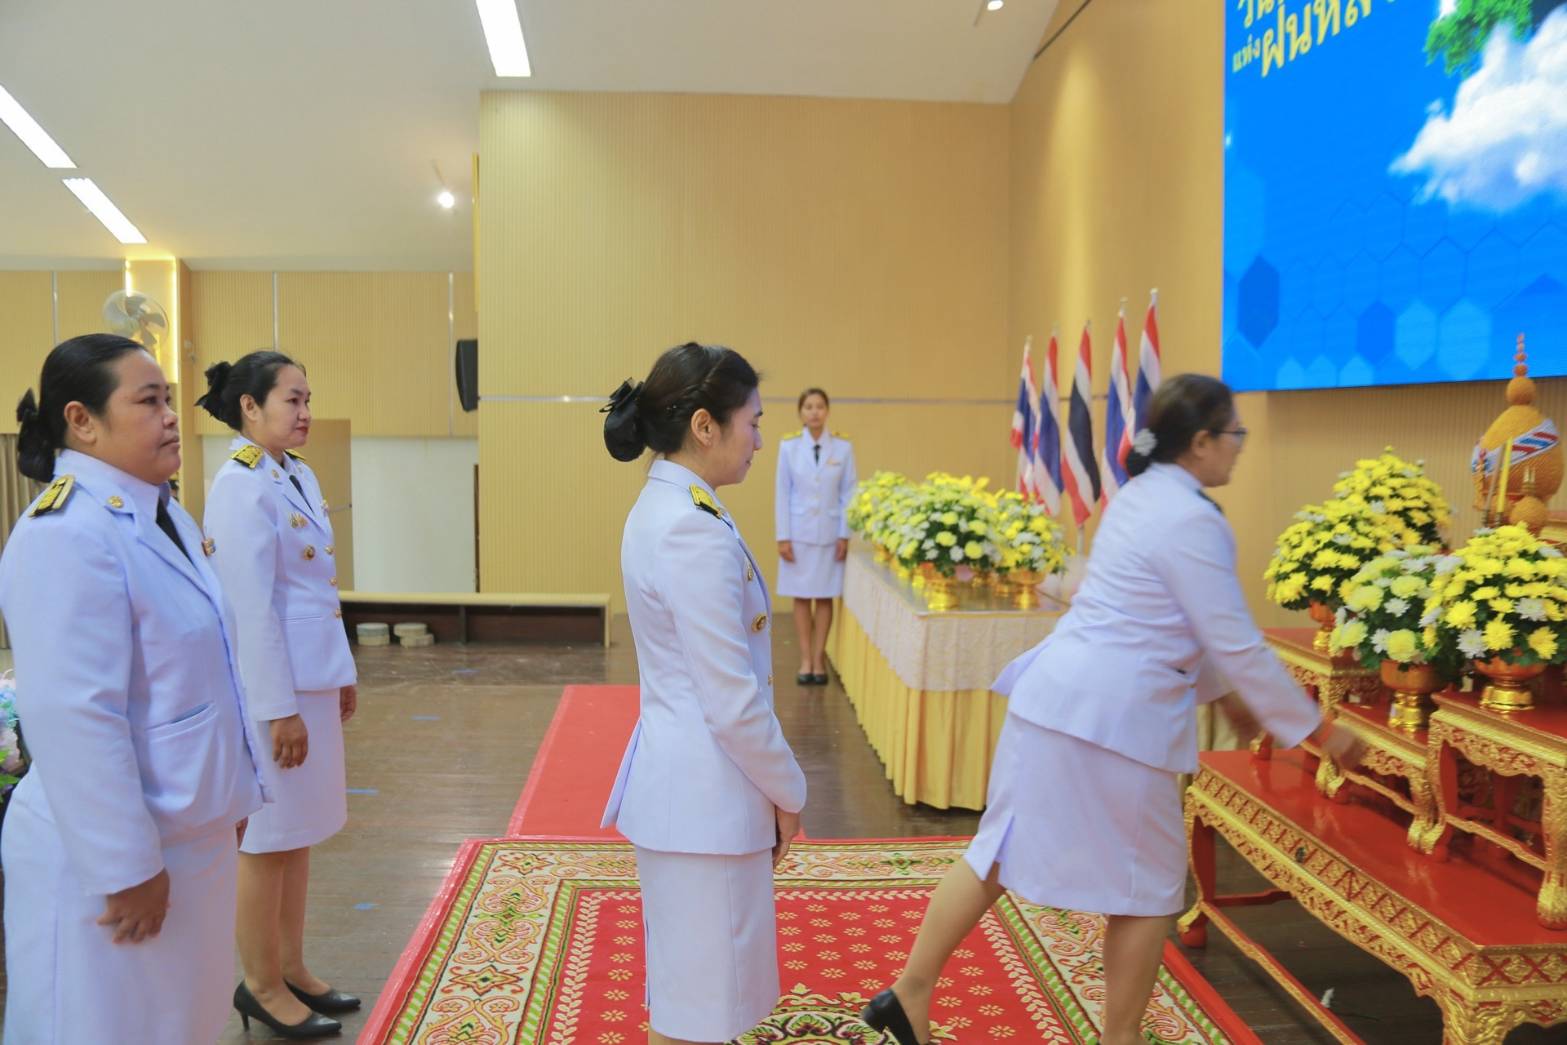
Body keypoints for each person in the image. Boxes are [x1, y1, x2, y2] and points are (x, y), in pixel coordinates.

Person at [862, 374, 1368, 1045]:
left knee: (996, 848)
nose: (1240, 448)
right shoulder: (1190, 516)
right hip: (1114, 723)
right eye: (1234, 434)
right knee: (1151, 889)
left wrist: (1232, 704)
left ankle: (909, 990)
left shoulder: (1139, 496)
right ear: (1200, 441)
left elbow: (1173, 618)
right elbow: (1230, 637)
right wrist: (1318, 731)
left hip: (1054, 699)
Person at [0, 334, 266, 1043]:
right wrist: (125, 867)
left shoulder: (163, 513)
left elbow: (205, 673)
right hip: (112, 856)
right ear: (82, 419)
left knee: (181, 1021)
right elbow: (73, 714)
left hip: (187, 832)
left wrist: (232, 793)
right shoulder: (65, 533)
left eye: (170, 400)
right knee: (101, 1024)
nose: (171, 415)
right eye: (148, 401)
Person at [600, 342, 808, 1045]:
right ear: (704, 425)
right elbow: (731, 699)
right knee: (700, 1015)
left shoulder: (672, 502)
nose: (759, 438)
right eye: (752, 420)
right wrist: (790, 789)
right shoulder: (690, 527)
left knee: (691, 1004)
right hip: (706, 797)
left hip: (690, 793)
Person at [199, 351, 358, 1039]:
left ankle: (291, 965)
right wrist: (277, 708)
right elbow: (250, 608)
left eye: (307, 398)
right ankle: (259, 982)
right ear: (249, 406)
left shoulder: (294, 472)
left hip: (311, 680)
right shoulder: (239, 486)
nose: (304, 411)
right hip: (277, 692)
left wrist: (340, 668)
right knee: (266, 839)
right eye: (291, 399)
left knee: (300, 833)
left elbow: (318, 589)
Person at [775, 388, 857, 685]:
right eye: (808, 407)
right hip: (797, 535)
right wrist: (782, 536)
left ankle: (819, 659)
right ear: (800, 412)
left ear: (827, 411)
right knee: (801, 596)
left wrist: (845, 535)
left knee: (824, 597)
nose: (814, 412)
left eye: (819, 406)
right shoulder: (789, 447)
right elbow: (783, 492)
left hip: (830, 534)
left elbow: (850, 494)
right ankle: (805, 658)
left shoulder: (843, 448)